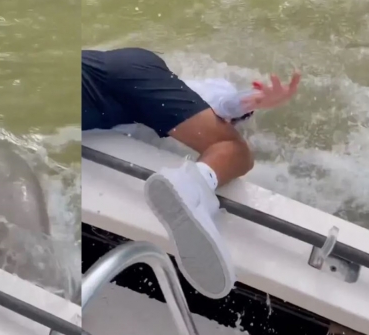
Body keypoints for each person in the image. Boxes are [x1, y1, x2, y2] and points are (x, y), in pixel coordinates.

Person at [82, 47, 300, 299]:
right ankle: (192, 184)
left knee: (235, 151)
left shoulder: (163, 95)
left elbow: (223, 103)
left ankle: (194, 186)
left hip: (120, 76)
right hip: (116, 77)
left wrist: (246, 101)